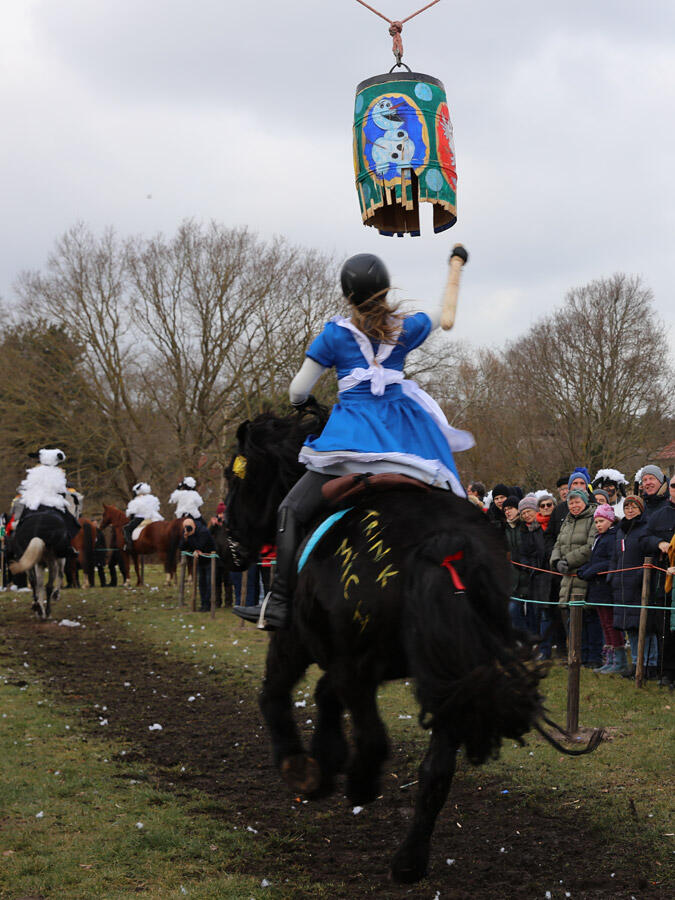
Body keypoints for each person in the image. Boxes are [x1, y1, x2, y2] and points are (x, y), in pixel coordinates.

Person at [234, 252, 475, 629]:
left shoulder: (334, 335)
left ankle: (279, 601)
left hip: (349, 446)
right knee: (449, 499)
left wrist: (306, 403)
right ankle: (465, 588)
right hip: (404, 443)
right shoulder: (406, 329)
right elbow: (443, 315)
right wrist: (455, 269)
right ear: (385, 288)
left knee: (291, 511)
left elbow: (298, 390)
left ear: (348, 295)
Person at [550, 488, 602, 667]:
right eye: (571, 503)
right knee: (573, 619)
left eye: (577, 502)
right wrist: (556, 561)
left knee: (589, 617)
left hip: (585, 574)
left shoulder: (593, 518)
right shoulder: (567, 522)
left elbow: (590, 547)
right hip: (568, 576)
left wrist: (568, 560)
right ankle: (577, 656)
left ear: (585, 502)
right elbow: (557, 543)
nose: (574, 506)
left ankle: (593, 657)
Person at [610, 495, 656, 679]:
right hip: (621, 586)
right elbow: (615, 556)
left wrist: (639, 578)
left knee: (645, 627)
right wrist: (612, 576)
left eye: (634, 507)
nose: (630, 510)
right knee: (630, 627)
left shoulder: (645, 529)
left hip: (638, 586)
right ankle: (636, 662)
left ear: (640, 509)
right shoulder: (620, 530)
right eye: (627, 507)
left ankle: (649, 664)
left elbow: (649, 555)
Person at [578, 505, 626, 674]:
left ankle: (619, 660)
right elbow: (595, 560)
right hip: (597, 588)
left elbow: (609, 561)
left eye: (601, 521)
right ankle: (610, 658)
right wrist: (585, 568)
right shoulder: (600, 537)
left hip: (606, 587)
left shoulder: (613, 537)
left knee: (610, 623)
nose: (598, 524)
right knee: (604, 623)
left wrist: (591, 570)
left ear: (610, 520)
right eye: (596, 521)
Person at [7, 448, 80, 554]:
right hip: (54, 501)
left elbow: (26, 487)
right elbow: (61, 490)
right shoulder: (57, 473)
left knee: (20, 517)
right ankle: (68, 545)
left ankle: (15, 539)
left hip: (34, 502)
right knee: (70, 520)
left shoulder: (35, 472)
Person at [640, 475, 675, 686]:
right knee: (665, 629)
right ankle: (667, 671)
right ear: (668, 488)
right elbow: (644, 538)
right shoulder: (659, 515)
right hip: (664, 580)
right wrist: (659, 543)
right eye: (673, 485)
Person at [180, 515, 216, 612]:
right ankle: (203, 603)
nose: (187, 529)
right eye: (185, 527)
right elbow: (182, 547)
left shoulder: (203, 531)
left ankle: (208, 604)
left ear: (194, 525)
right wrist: (185, 537)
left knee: (209, 582)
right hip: (200, 560)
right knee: (201, 583)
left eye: (189, 527)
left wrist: (191, 539)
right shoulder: (187, 532)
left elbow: (200, 545)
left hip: (209, 559)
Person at [124, 482, 163, 551]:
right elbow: (156, 509)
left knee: (127, 528)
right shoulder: (153, 499)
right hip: (153, 518)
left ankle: (129, 546)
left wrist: (131, 519)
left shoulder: (137, 500)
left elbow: (132, 512)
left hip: (140, 518)